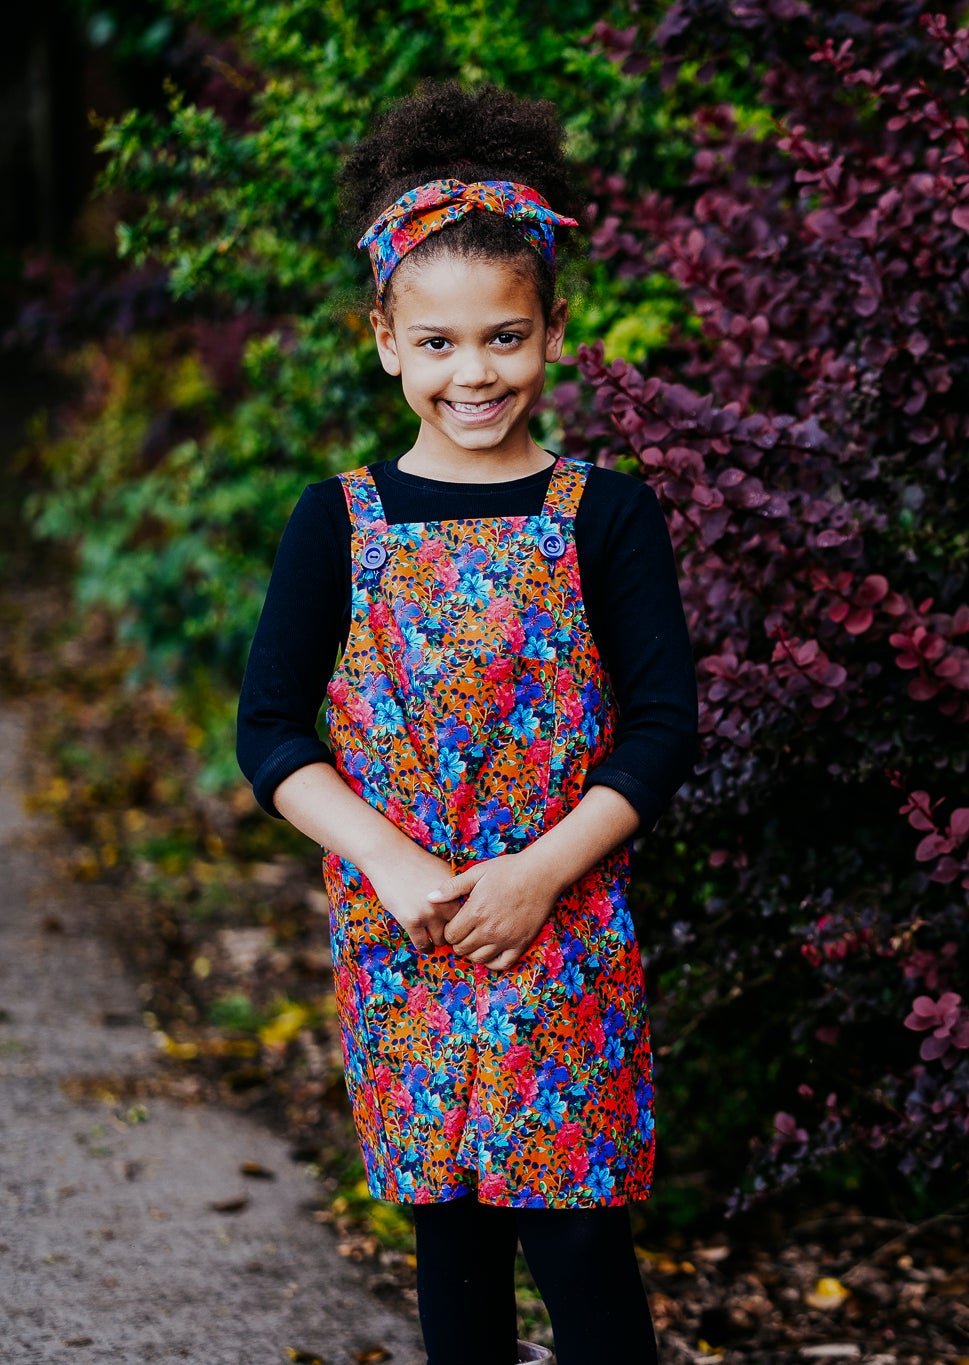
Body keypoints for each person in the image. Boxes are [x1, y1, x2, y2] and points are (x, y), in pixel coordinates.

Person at [237, 80, 697, 1365]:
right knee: (450, 1241)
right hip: (410, 936)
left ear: (553, 329)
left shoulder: (603, 514)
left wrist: (542, 875)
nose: (472, 372)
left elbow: (662, 726)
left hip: (561, 929)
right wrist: (387, 857)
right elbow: (271, 730)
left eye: (503, 337)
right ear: (382, 339)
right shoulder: (334, 523)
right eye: (436, 344)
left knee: (580, 1240)